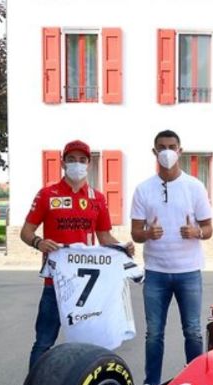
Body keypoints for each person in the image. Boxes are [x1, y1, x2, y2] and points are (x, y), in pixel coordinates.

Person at [20, 139, 134, 369]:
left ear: (89, 164)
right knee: (43, 342)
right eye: (71, 160)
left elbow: (104, 238)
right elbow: (26, 232)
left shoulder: (97, 198)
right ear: (63, 163)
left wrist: (122, 248)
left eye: (82, 160)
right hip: (56, 281)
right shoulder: (46, 194)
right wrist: (38, 242)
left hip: (87, 286)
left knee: (90, 343)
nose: (77, 164)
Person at [130, 130, 213, 385]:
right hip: (155, 271)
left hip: (188, 271)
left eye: (171, 146)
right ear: (154, 152)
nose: (167, 151)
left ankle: (196, 383)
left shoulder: (195, 187)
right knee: (154, 333)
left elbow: (209, 229)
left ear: (180, 150)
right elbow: (135, 233)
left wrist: (196, 232)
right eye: (162, 147)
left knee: (193, 331)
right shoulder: (143, 189)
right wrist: (147, 233)